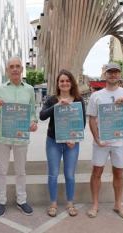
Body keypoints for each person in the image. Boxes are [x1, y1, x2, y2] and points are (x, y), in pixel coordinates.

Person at [86, 62, 123, 219]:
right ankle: (95, 204)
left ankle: (118, 204)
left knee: (118, 172)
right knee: (97, 172)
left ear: (119, 75)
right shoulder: (96, 96)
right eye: (110, 72)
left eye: (116, 72)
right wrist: (96, 138)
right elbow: (92, 119)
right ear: (105, 74)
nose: (113, 74)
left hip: (119, 141)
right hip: (101, 141)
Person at [0, 57, 38, 217]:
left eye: (18, 66)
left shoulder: (29, 89)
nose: (15, 69)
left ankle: (21, 200)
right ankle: (1, 201)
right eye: (12, 67)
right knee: (1, 171)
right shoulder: (0, 89)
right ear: (7, 70)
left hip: (21, 137)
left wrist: (33, 122)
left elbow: (32, 114)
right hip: (3, 136)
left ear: (22, 69)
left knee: (21, 171)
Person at [39, 69, 86, 217]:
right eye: (62, 81)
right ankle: (53, 203)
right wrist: (57, 105)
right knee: (53, 174)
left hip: (72, 142)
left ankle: (70, 203)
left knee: (70, 174)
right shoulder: (52, 99)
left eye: (67, 80)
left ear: (71, 83)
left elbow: (82, 123)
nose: (64, 83)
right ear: (58, 84)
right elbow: (42, 116)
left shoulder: (78, 100)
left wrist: (75, 138)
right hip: (53, 141)